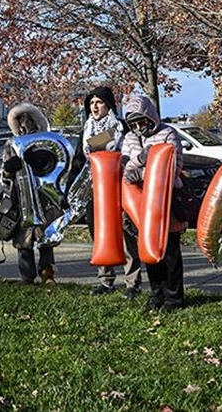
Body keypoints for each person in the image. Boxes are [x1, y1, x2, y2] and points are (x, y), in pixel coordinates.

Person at [120, 94, 186, 312]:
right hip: (141, 202)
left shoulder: (168, 133)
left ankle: (174, 297)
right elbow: (127, 171)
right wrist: (142, 161)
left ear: (151, 117)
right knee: (148, 250)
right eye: (134, 123)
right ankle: (156, 294)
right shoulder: (129, 139)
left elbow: (173, 165)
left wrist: (144, 168)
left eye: (142, 121)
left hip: (166, 200)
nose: (139, 127)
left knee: (170, 252)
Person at [82, 87, 138, 298]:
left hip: (119, 187)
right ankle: (105, 281)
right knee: (100, 234)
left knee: (126, 234)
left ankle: (132, 282)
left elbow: (128, 155)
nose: (94, 107)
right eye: (91, 103)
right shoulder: (87, 128)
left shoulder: (120, 128)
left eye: (99, 102)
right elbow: (83, 158)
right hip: (95, 190)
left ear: (109, 105)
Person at [0, 103, 63, 285]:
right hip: (21, 195)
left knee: (46, 235)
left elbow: (58, 164)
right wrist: (9, 169)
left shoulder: (47, 141)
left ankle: (47, 273)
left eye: (28, 119)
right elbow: (4, 173)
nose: (25, 124)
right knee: (23, 237)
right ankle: (26, 276)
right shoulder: (11, 144)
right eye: (20, 120)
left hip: (44, 193)